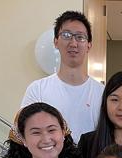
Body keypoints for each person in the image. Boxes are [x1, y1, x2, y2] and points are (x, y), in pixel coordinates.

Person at [21, 10, 104, 143]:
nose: (73, 43)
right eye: (66, 35)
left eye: (80, 37)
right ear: (55, 41)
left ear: (89, 45)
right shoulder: (37, 90)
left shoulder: (102, 93)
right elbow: (26, 133)